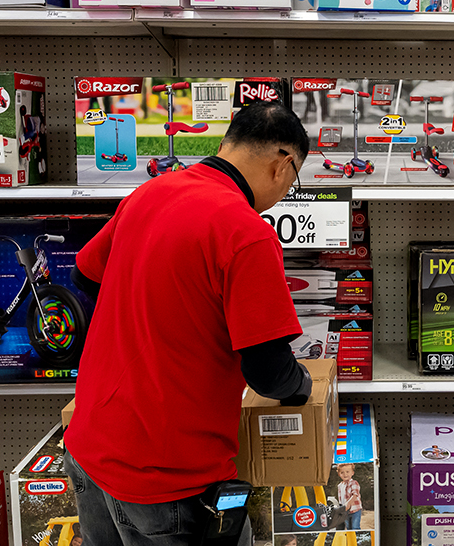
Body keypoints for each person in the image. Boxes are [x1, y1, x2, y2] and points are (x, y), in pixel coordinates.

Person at [64, 101, 313, 546]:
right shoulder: (246, 232)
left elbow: (85, 275)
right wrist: (303, 386)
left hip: (88, 446)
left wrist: (154, 321)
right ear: (283, 164)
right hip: (169, 479)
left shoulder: (150, 192)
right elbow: (269, 373)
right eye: (293, 182)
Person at [335, 463, 363, 530]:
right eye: (342, 472)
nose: (345, 474)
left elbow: (355, 494)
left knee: (355, 527)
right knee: (348, 527)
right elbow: (340, 499)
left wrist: (348, 503)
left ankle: (356, 536)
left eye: (347, 472)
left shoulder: (354, 483)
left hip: (355, 510)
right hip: (345, 511)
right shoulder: (340, 485)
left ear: (352, 473)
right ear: (339, 474)